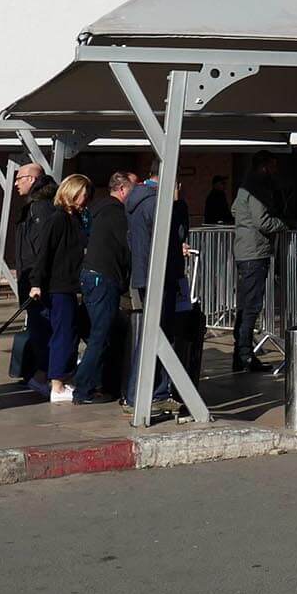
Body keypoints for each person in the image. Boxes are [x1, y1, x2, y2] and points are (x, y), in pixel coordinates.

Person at [124, 168, 185, 415]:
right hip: (159, 274)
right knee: (156, 335)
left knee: (155, 333)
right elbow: (177, 234)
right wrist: (178, 204)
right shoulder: (158, 203)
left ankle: (156, 392)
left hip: (144, 272)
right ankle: (138, 396)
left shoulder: (137, 200)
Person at [75, 170, 134, 402]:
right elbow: (128, 248)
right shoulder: (117, 214)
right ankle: (84, 388)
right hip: (104, 278)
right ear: (122, 190)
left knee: (100, 334)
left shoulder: (97, 210)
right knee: (100, 335)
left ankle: (98, 382)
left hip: (91, 276)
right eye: (132, 189)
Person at [30, 174, 90, 404]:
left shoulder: (74, 218)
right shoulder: (58, 219)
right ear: (72, 192)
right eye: (83, 194)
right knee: (63, 334)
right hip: (59, 286)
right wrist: (36, 283)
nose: (85, 199)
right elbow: (44, 253)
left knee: (68, 333)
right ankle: (57, 384)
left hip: (68, 284)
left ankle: (57, 378)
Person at [231, 155, 286, 372]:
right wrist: (283, 224)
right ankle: (244, 355)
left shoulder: (245, 186)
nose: (275, 169)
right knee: (251, 307)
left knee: (245, 306)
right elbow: (262, 221)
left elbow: (235, 209)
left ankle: (241, 354)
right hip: (254, 252)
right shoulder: (256, 188)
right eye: (273, 165)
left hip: (245, 251)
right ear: (264, 167)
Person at [13, 163, 60, 387]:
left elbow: (40, 248)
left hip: (35, 280)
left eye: (19, 178)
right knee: (37, 325)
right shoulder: (35, 205)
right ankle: (41, 371)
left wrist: (35, 280)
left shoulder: (40, 208)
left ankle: (46, 373)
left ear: (31, 179)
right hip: (31, 276)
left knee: (41, 327)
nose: (15, 183)